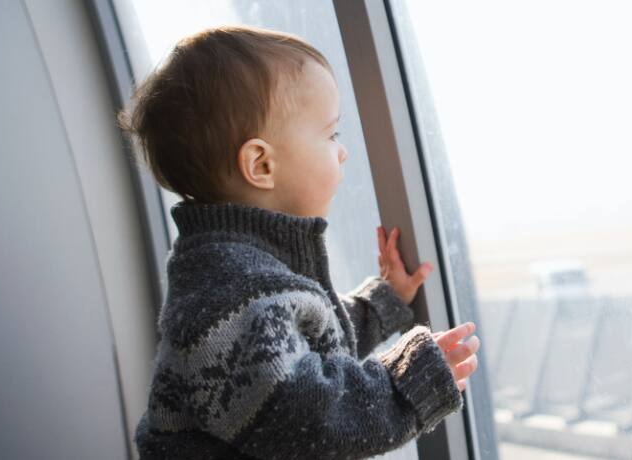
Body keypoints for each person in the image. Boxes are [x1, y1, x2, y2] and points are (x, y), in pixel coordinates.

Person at [120, 25, 480, 459]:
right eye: (331, 135)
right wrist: (406, 384)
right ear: (261, 164)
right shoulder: (230, 292)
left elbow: (303, 336)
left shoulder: (239, 271)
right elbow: (303, 415)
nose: (342, 152)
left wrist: (381, 304)